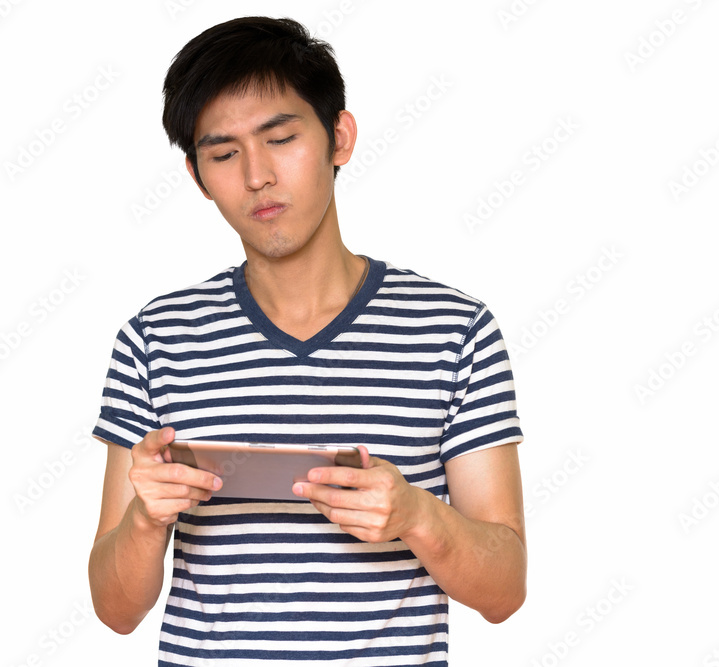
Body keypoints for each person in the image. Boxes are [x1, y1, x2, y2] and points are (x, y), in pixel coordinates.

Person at [87, 15, 526, 666]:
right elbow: (115, 608)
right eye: (224, 152)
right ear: (197, 175)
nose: (257, 174)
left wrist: (417, 515)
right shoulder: (156, 338)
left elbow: (505, 590)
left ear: (339, 137)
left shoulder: (455, 329)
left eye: (281, 137)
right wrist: (146, 522)